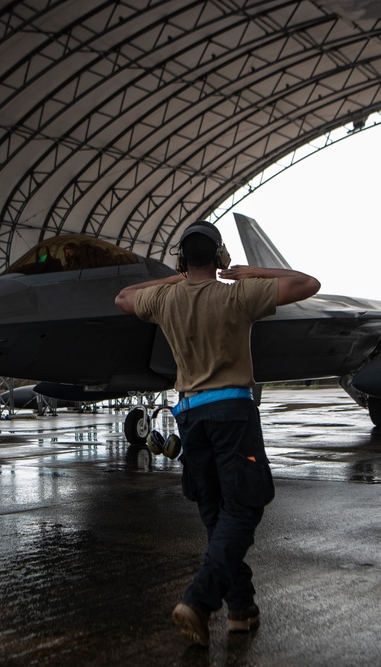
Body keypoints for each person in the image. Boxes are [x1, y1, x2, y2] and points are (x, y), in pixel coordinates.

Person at [115, 220, 319, 647]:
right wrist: (252, 273)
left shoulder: (165, 299)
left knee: (215, 513)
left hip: (190, 417)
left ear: (183, 259)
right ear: (220, 257)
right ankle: (200, 600)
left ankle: (241, 609)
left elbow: (123, 298)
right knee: (244, 507)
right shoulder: (238, 294)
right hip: (232, 413)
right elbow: (307, 283)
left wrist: (177, 276)